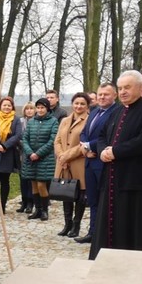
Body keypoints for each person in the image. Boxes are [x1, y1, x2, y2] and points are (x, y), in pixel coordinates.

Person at [89, 70, 142, 260]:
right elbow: (102, 136)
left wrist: (115, 152)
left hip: (137, 181)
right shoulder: (117, 111)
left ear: (141, 88)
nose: (123, 92)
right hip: (113, 181)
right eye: (120, 88)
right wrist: (102, 151)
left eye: (127, 87)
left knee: (134, 225)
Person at [76, 82, 120, 243]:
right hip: (89, 161)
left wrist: (90, 145)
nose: (102, 97)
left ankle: (103, 233)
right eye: (100, 94)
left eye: (106, 94)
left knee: (104, 200)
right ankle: (92, 232)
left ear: (114, 95)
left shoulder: (117, 113)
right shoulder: (94, 112)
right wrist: (85, 146)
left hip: (102, 163)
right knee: (92, 199)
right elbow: (84, 133)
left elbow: (108, 136)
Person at [54, 93, 90, 237]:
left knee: (79, 195)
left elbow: (84, 144)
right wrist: (61, 156)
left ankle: (76, 225)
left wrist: (66, 156)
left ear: (87, 106)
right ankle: (67, 224)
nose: (79, 106)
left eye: (82, 104)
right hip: (63, 163)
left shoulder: (88, 120)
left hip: (78, 162)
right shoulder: (65, 120)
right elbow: (57, 140)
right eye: (76, 103)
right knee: (65, 193)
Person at [21, 98, 59, 221]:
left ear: (47, 108)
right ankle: (37, 209)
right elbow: (25, 138)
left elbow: (52, 140)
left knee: (42, 184)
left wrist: (38, 153)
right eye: (38, 107)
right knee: (34, 185)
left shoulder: (53, 121)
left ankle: (44, 210)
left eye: (43, 107)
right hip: (31, 158)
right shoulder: (32, 122)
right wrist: (30, 152)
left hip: (45, 158)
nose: (40, 110)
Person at [0, 96, 22, 215]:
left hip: (8, 152)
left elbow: (18, 135)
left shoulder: (16, 119)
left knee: (5, 181)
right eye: (4, 105)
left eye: (9, 105)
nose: (7, 107)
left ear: (12, 107)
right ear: (0, 106)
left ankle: (2, 207)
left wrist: (5, 145)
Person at [15, 103, 36, 214]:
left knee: (30, 180)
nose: (29, 111)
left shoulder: (37, 121)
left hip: (34, 153)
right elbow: (17, 136)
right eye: (27, 109)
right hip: (21, 153)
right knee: (23, 179)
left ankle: (30, 202)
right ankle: (23, 201)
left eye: (31, 108)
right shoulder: (20, 121)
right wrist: (23, 144)